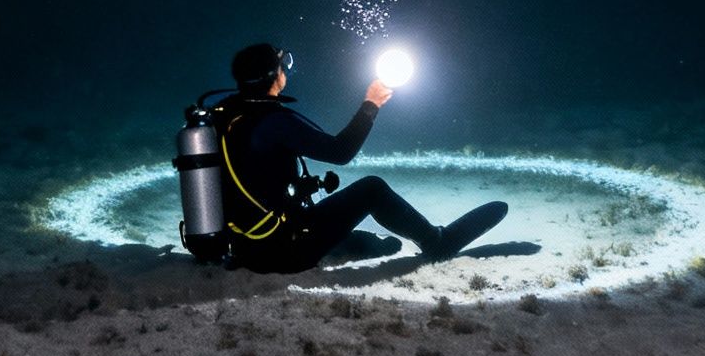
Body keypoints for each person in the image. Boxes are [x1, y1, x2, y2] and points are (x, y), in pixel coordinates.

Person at [214, 42, 506, 273]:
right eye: (283, 63)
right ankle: (437, 243)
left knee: (371, 243)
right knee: (372, 189)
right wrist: (371, 104)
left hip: (243, 247)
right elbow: (340, 152)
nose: (286, 70)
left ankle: (358, 245)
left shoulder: (227, 114)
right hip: (280, 250)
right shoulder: (272, 120)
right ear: (271, 76)